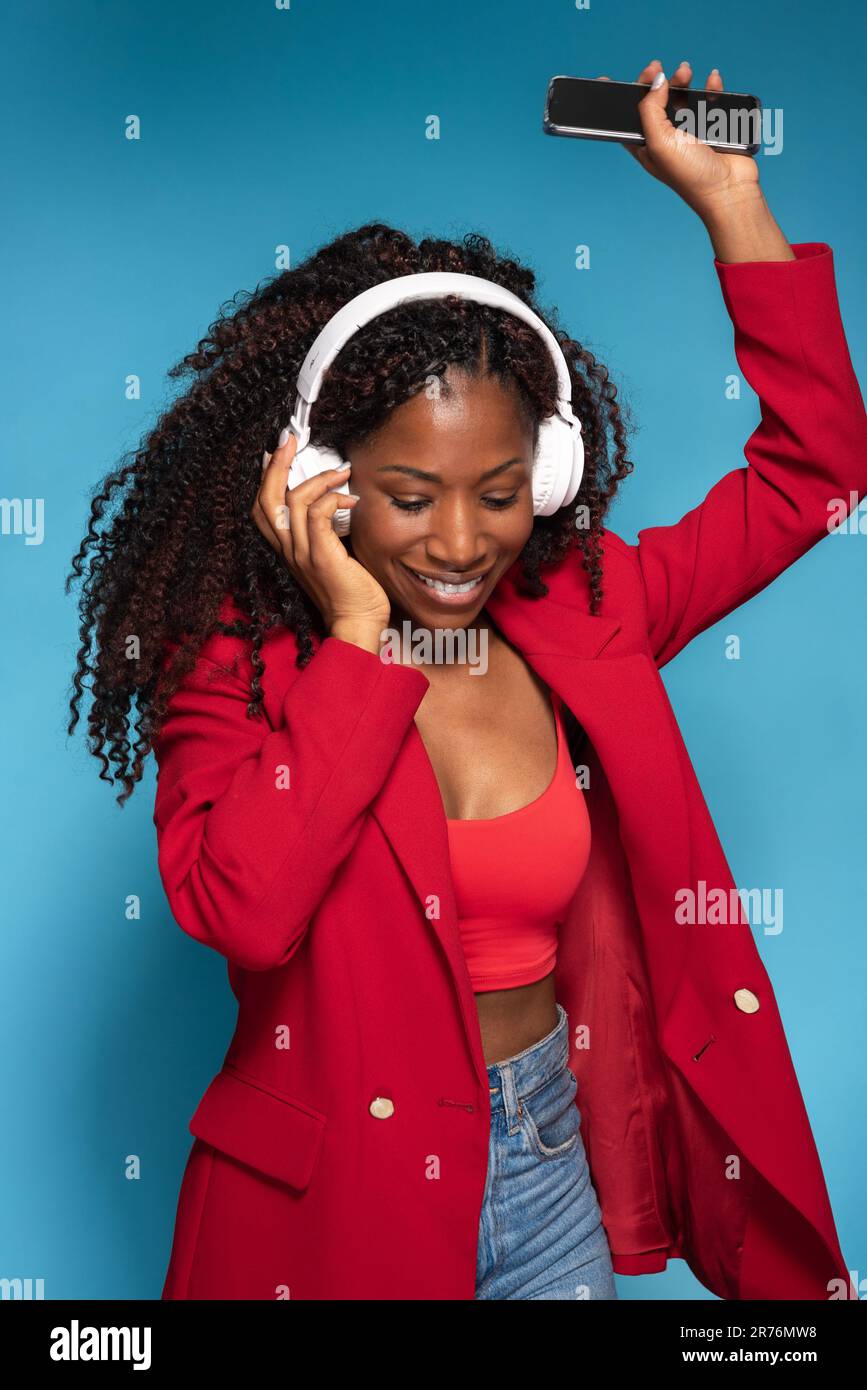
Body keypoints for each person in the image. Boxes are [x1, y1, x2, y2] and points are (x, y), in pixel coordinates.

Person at [68, 59, 866, 1300]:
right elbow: (243, 908)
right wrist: (350, 638)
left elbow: (817, 475)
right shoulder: (230, 656)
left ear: (546, 476)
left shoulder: (587, 612)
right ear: (323, 476)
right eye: (407, 497)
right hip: (329, 1207)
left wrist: (731, 207)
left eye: (498, 495)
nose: (456, 544)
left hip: (548, 1161)